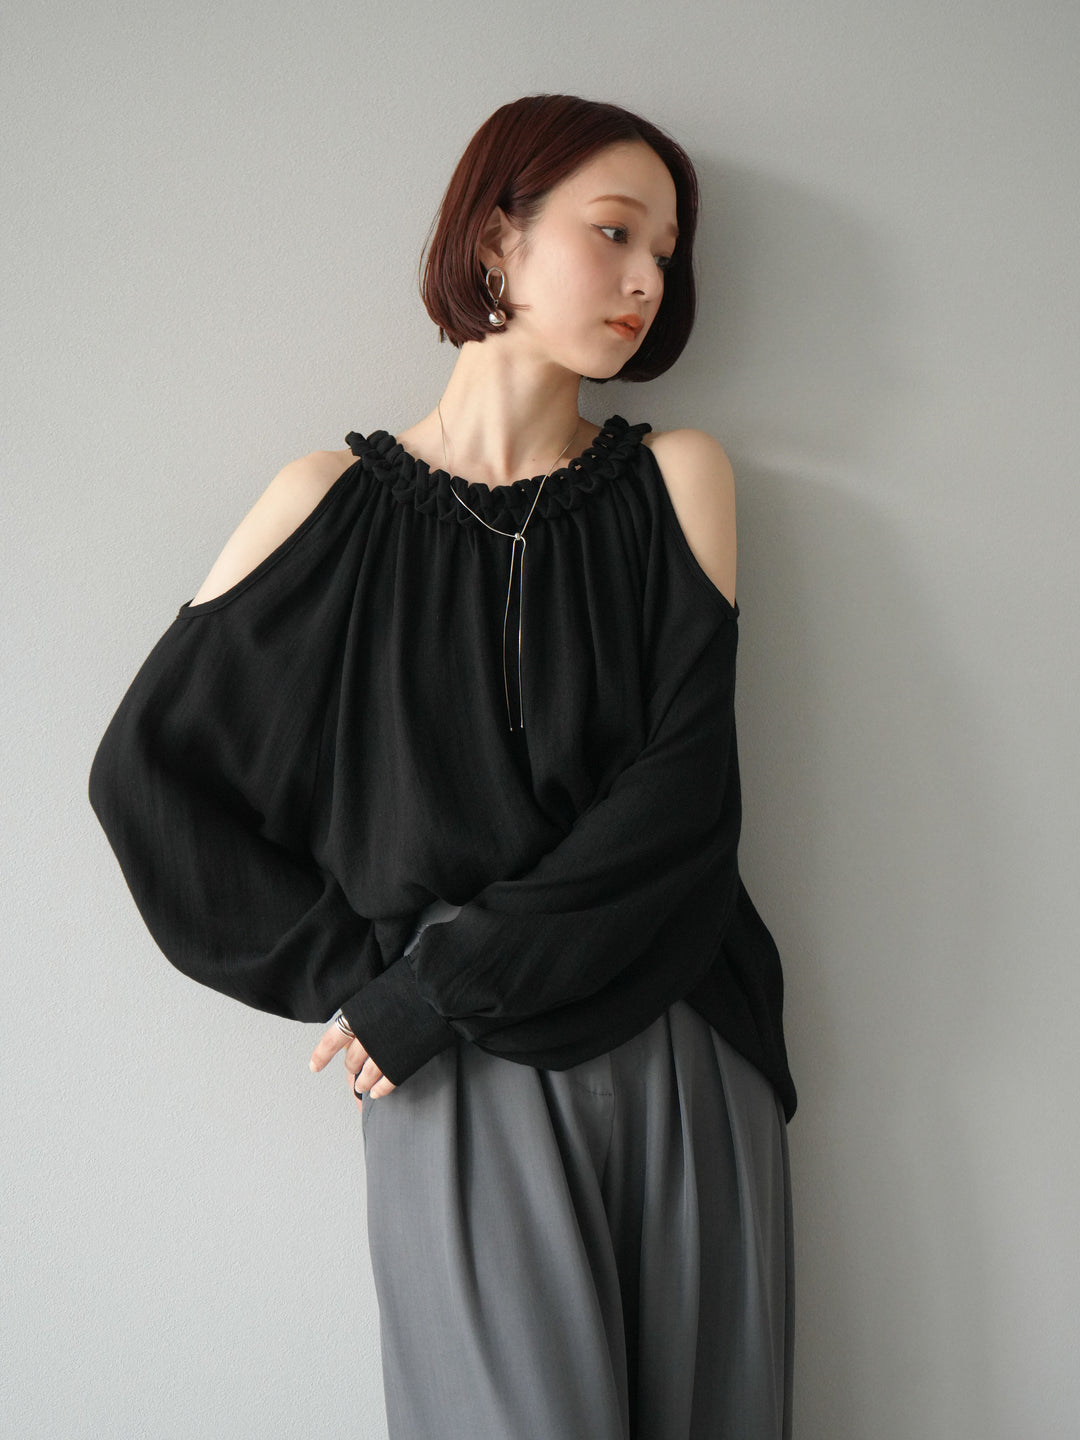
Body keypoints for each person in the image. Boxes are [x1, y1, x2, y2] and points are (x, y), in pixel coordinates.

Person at [88, 93, 797, 1439]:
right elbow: (146, 780)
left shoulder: (678, 481)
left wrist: (434, 981)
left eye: (667, 250)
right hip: (454, 1063)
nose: (650, 278)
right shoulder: (326, 507)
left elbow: (685, 796)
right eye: (614, 233)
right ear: (494, 241)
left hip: (683, 1024)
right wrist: (380, 985)